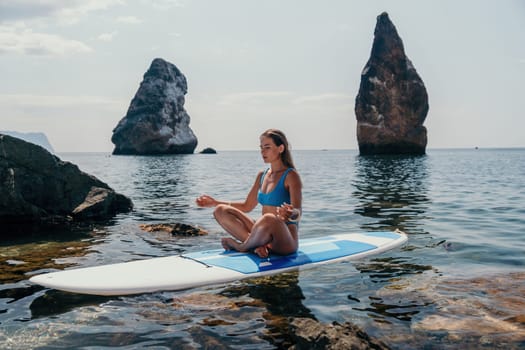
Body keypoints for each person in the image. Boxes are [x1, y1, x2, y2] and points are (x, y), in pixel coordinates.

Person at [196, 129, 302, 258]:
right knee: (220, 210)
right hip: (263, 234)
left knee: (269, 218)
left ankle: (241, 246)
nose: (263, 152)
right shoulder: (262, 176)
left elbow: (298, 212)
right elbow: (247, 206)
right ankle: (256, 246)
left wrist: (291, 213)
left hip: (285, 240)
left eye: (267, 147)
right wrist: (214, 202)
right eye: (261, 147)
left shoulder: (291, 175)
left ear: (280, 148)